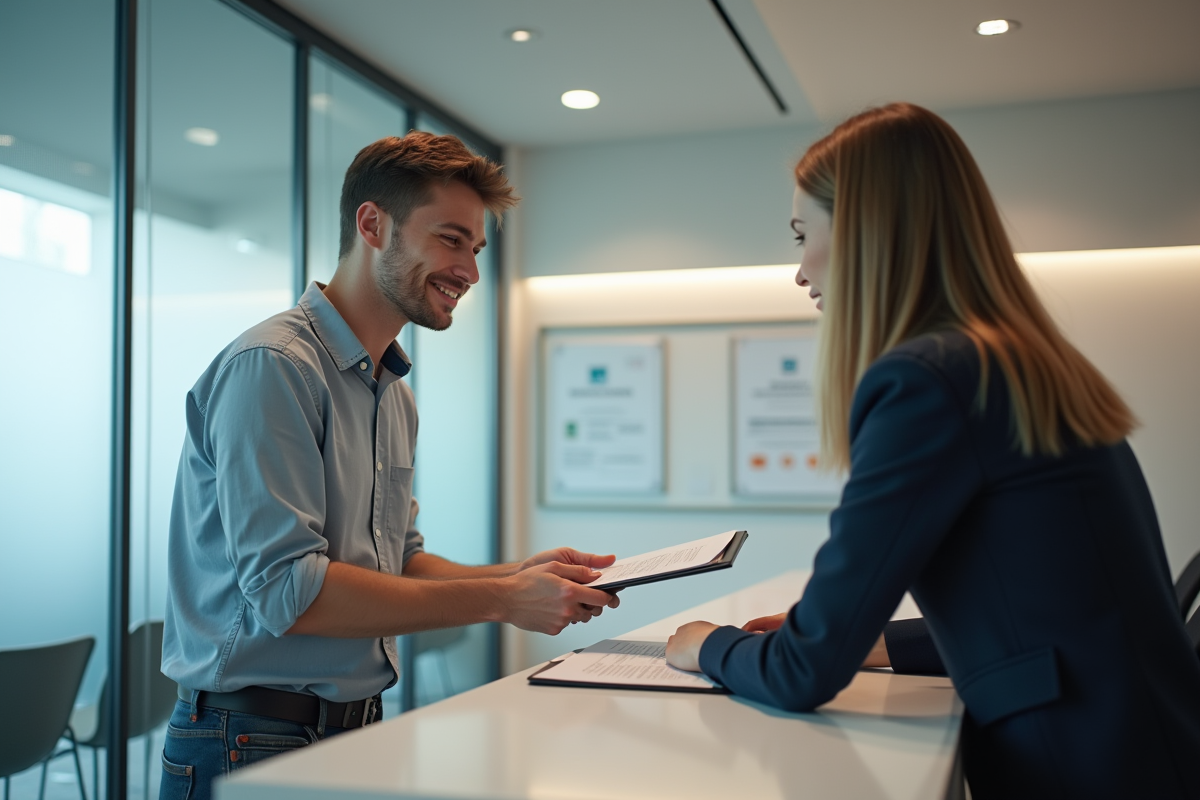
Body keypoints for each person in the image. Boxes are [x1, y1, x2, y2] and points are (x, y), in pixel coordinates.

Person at [664, 103, 1200, 798]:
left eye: (804, 235)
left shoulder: (926, 379)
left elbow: (804, 673)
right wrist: (885, 642)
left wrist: (707, 643)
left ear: (863, 232)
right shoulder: (1013, 358)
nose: (800, 272)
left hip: (1078, 765)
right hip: (1138, 744)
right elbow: (1050, 605)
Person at [159, 132, 619, 800]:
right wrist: (500, 599)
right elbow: (292, 591)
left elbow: (397, 562)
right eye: (451, 239)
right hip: (248, 739)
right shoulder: (273, 368)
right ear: (372, 224)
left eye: (476, 248)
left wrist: (520, 575)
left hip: (359, 729)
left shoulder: (392, 394)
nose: (470, 271)